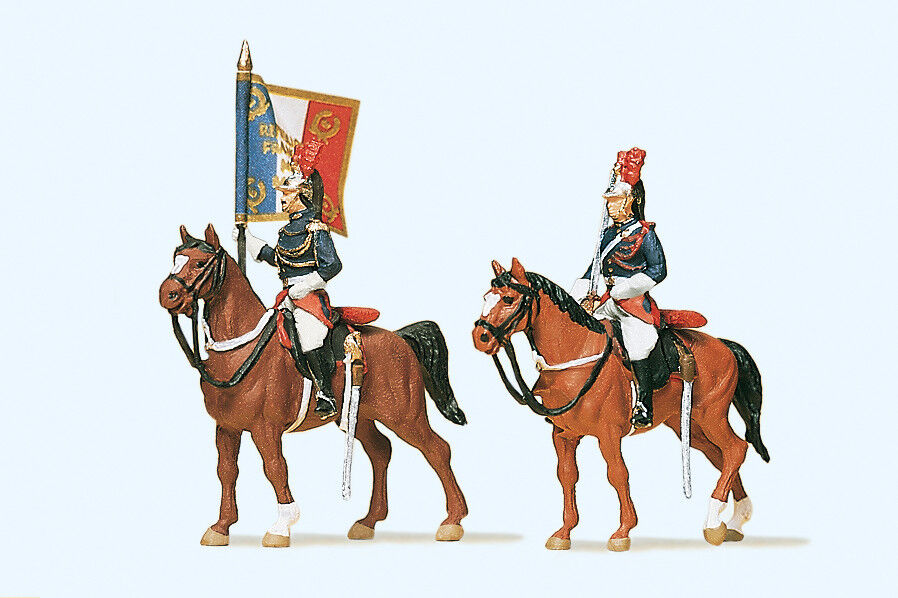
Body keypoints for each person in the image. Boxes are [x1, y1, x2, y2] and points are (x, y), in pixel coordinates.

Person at [234, 140, 341, 419]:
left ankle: (326, 394)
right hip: (286, 297)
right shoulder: (286, 231)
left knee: (309, 337)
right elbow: (279, 259)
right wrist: (249, 240)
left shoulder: (315, 229)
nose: (281, 199)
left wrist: (306, 285)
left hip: (309, 298)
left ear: (301, 195)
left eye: (286, 194)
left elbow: (332, 265)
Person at [570, 148, 666, 428]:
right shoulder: (608, 234)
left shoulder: (644, 234)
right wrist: (578, 295)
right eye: (609, 202)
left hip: (633, 303)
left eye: (615, 201)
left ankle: (644, 404)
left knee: (638, 342)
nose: (610, 207)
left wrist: (625, 289)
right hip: (607, 300)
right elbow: (595, 267)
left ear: (630, 201)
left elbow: (658, 270)